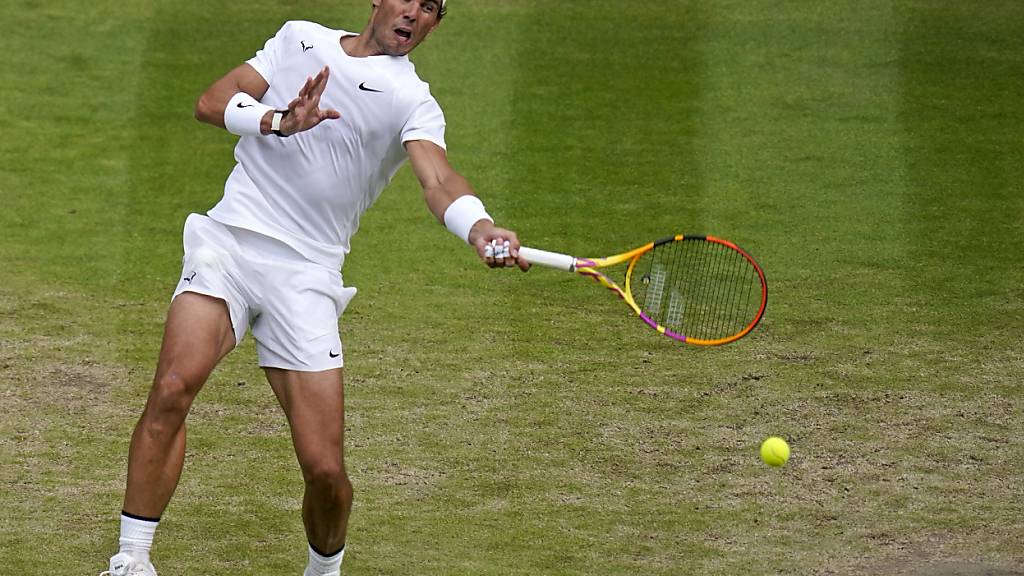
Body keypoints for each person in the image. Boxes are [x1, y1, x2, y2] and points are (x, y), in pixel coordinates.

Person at [102, 1, 528, 574]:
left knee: (326, 470)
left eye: (431, 8)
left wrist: (477, 226)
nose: (415, 14)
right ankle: (132, 560)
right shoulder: (299, 39)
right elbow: (212, 101)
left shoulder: (412, 100)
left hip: (307, 275)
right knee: (174, 386)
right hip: (230, 241)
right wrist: (279, 120)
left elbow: (439, 179)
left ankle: (323, 571)